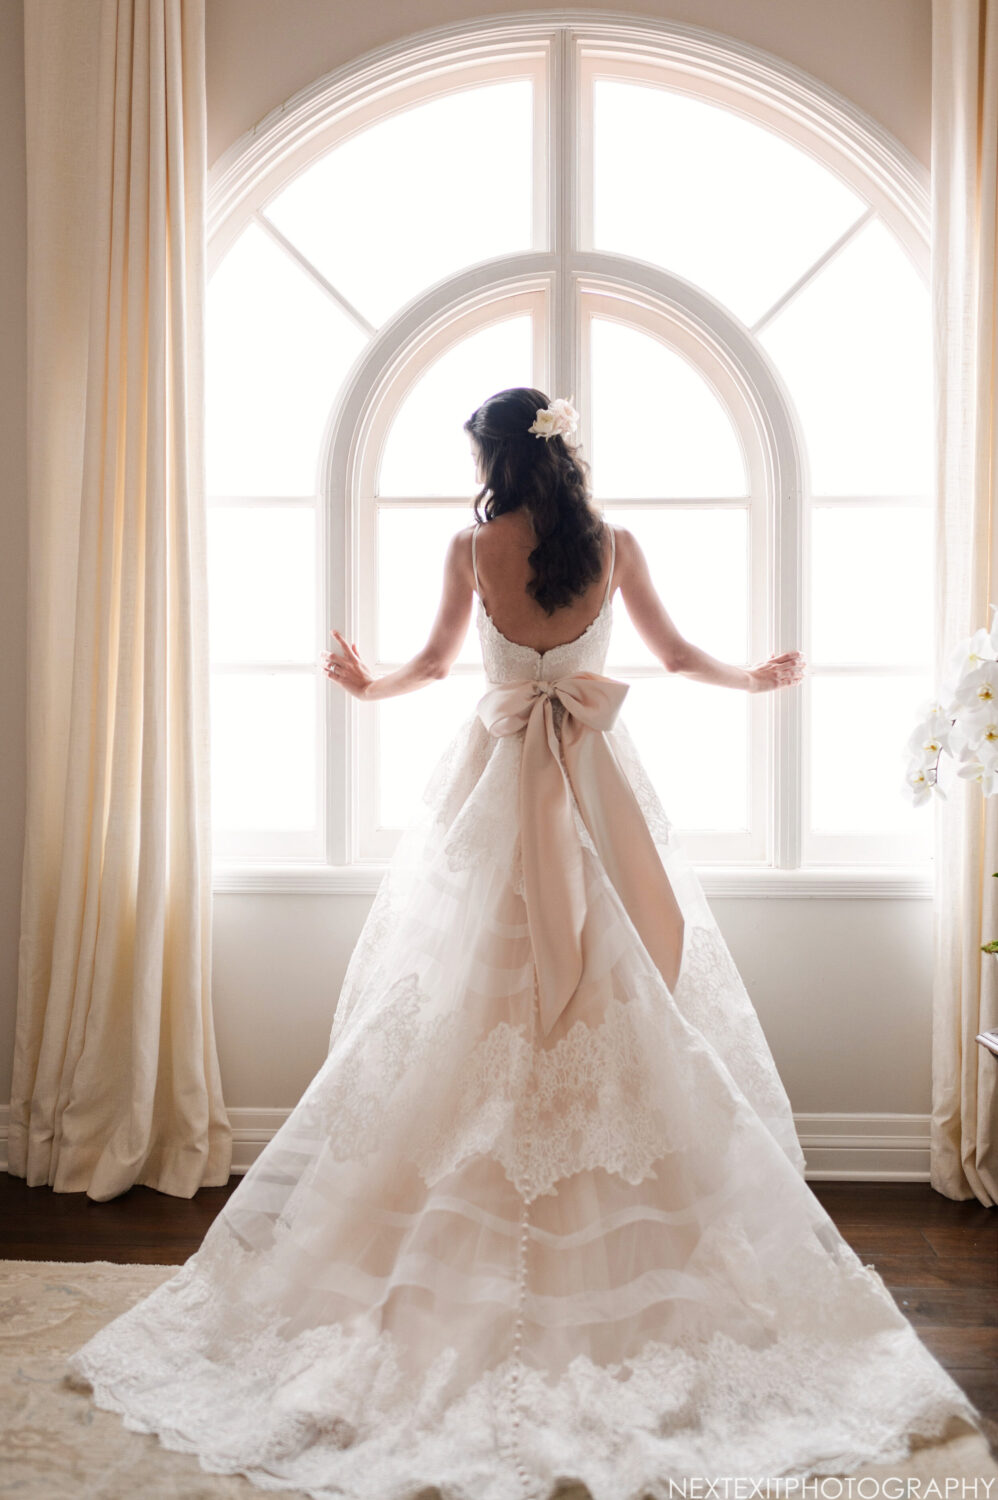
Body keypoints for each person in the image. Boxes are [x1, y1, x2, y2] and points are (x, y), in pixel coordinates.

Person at [65, 387, 984, 1496]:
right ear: (564, 454)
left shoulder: (469, 549)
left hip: (500, 803)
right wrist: (753, 676)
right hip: (595, 800)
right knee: (619, 992)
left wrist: (366, 686)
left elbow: (426, 662)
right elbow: (680, 654)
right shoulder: (615, 544)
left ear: (496, 460)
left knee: (465, 997)